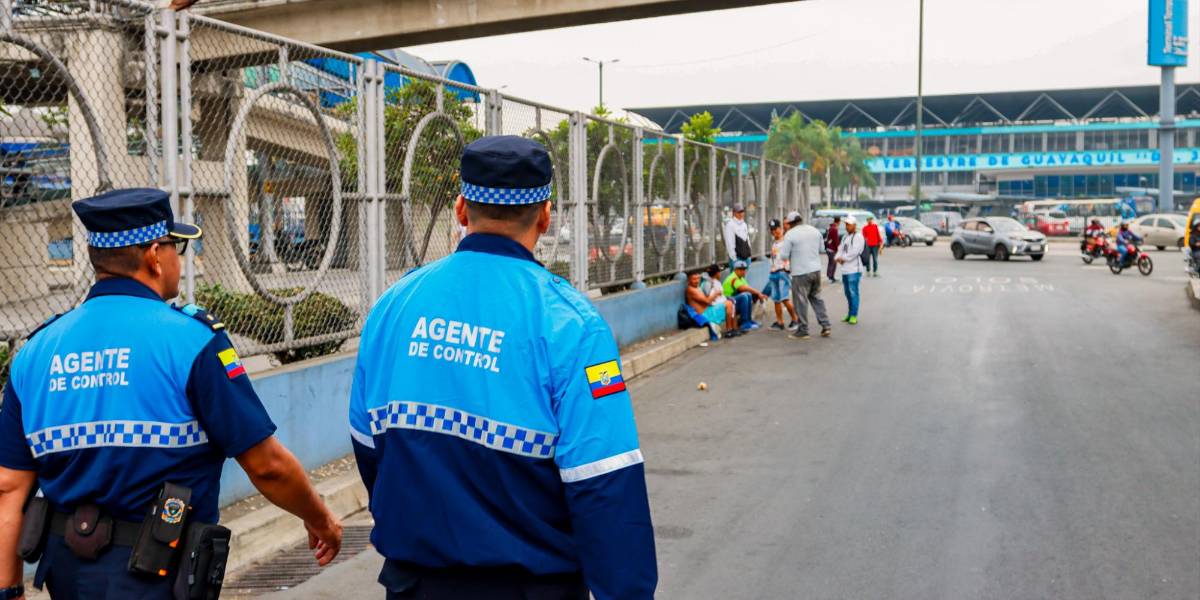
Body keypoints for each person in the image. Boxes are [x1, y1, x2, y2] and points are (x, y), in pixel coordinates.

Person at [349, 136, 656, 600]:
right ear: (546, 216)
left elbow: (369, 448)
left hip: (414, 585)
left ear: (460, 209)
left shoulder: (394, 305)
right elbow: (604, 483)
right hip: (531, 587)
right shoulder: (572, 325)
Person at [0, 188, 342, 599]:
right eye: (177, 248)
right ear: (155, 255)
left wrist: (8, 589)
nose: (179, 260)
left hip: (70, 577)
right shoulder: (191, 342)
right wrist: (319, 518)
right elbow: (266, 465)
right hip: (162, 576)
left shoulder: (37, 352)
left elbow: (9, 487)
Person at [778, 211, 832, 339]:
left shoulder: (790, 234)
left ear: (790, 224)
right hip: (816, 270)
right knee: (817, 298)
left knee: (800, 301)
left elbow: (784, 255)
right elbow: (821, 249)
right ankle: (826, 325)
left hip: (800, 272)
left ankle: (803, 330)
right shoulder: (814, 231)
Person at [765, 218, 800, 330]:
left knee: (784, 298)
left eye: (775, 229)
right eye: (772, 230)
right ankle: (780, 322)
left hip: (782, 272)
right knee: (776, 299)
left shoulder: (786, 241)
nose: (774, 232)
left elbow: (790, 257)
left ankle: (795, 319)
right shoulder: (775, 243)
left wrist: (786, 269)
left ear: (780, 228)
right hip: (774, 272)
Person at [685, 271, 734, 341]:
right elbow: (707, 301)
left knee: (729, 302)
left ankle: (731, 329)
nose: (696, 281)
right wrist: (716, 294)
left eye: (698, 279)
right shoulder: (690, 289)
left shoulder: (697, 287)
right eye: (694, 279)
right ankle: (729, 330)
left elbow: (706, 300)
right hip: (704, 314)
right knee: (728, 304)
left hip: (708, 310)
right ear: (689, 280)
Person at [836, 215, 866, 325]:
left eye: (849, 224)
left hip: (854, 270)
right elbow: (840, 249)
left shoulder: (858, 237)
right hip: (845, 270)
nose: (847, 226)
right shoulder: (845, 237)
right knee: (848, 293)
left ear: (854, 225)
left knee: (853, 293)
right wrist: (837, 258)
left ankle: (854, 315)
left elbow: (855, 252)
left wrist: (843, 258)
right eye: (846, 224)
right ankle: (849, 314)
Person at [723, 260, 767, 331]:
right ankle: (744, 323)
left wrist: (758, 295)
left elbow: (748, 289)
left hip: (734, 302)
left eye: (744, 269)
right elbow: (743, 288)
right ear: (736, 270)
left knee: (750, 295)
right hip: (728, 305)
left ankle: (748, 320)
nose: (743, 271)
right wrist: (758, 293)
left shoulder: (741, 278)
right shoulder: (733, 277)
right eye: (741, 269)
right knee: (744, 296)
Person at [723, 203, 752, 269]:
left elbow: (747, 240)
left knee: (743, 279)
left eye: (742, 211)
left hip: (746, 257)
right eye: (739, 212)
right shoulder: (730, 225)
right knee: (735, 278)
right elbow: (730, 243)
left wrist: (749, 255)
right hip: (737, 258)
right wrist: (734, 259)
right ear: (734, 213)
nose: (741, 213)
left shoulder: (744, 224)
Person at [824, 216, 841, 283]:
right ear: (838, 221)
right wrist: (838, 249)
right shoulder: (834, 229)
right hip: (832, 249)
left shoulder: (831, 227)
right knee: (833, 263)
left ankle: (830, 276)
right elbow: (836, 240)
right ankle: (831, 277)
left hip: (829, 248)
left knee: (831, 263)